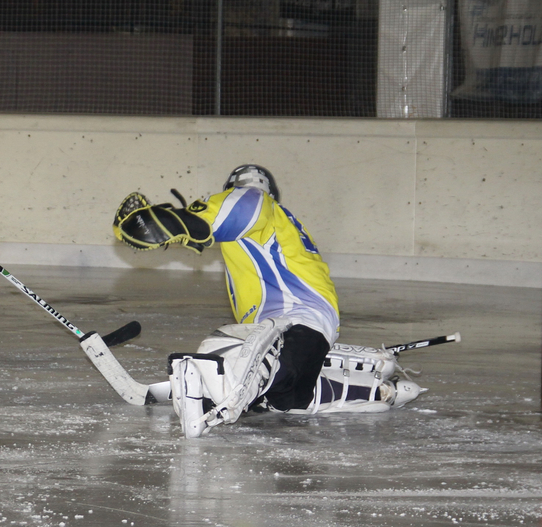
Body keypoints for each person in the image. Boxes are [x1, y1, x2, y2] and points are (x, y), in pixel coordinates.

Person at [113, 165, 420, 438]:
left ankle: (238, 380)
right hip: (310, 323)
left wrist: (176, 222)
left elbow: (231, 211)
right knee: (285, 399)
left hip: (291, 318)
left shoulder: (254, 199)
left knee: (227, 346)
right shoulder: (274, 227)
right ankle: (364, 378)